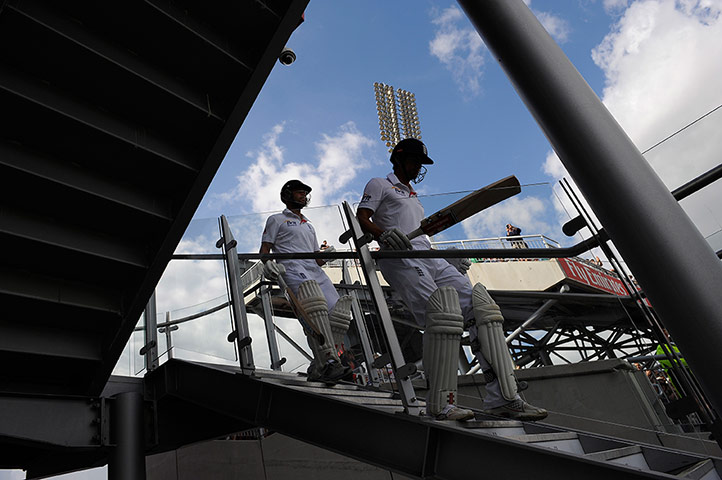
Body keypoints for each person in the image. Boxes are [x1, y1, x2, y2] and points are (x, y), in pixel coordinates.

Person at [357, 138, 547, 421]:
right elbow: (363, 216)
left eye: (420, 164)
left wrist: (447, 257)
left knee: (481, 309)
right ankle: (441, 403)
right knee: (439, 316)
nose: (417, 167)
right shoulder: (379, 184)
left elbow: (419, 230)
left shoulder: (413, 195)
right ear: (398, 159)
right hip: (399, 257)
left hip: (427, 254)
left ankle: (504, 397)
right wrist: (382, 234)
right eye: (413, 161)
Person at [260, 179, 352, 383]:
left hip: (314, 270)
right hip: (292, 269)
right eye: (299, 193)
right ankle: (329, 362)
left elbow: (316, 258)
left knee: (339, 313)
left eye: (304, 193)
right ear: (287, 195)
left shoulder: (309, 225)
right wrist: (268, 264)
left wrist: (328, 255)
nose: (303, 196)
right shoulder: (277, 219)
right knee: (314, 309)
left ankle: (319, 364)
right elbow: (265, 249)